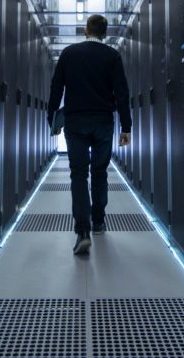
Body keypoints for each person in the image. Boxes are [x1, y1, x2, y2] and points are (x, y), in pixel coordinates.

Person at [47, 14, 132, 255]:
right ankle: (98, 221)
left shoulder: (69, 53)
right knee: (99, 172)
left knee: (78, 174)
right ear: (104, 33)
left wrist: (52, 118)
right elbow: (122, 93)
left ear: (86, 30)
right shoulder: (113, 56)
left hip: (75, 122)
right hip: (103, 121)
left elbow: (56, 88)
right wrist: (126, 127)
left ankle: (82, 230)